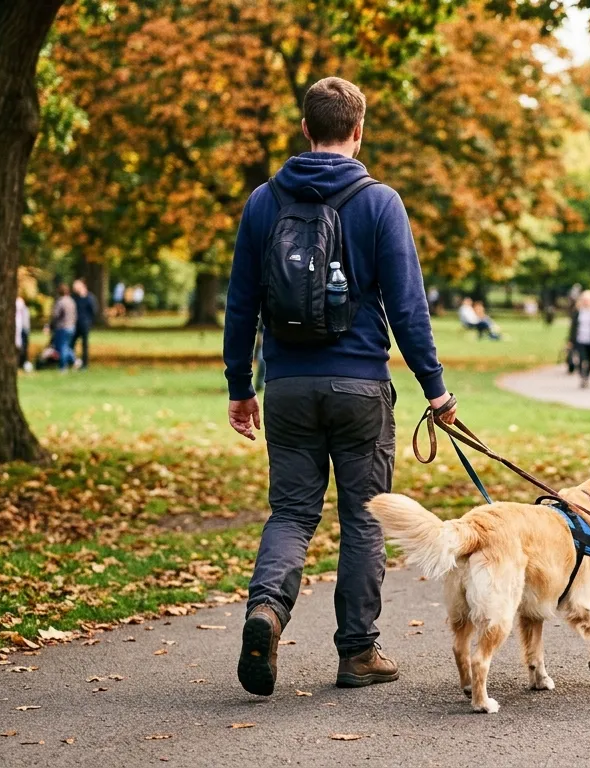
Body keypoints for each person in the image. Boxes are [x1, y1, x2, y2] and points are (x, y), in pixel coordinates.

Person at [222, 76, 457, 697]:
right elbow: (408, 307)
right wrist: (435, 389)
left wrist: (239, 386)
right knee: (363, 516)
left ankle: (267, 612)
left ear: (304, 129)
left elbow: (241, 303)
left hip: (290, 387)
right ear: (358, 130)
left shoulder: (263, 201)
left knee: (293, 512)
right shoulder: (380, 203)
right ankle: (357, 652)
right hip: (359, 387)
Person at [567, 289, 590, 388]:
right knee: (581, 359)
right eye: (584, 300)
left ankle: (587, 376)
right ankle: (582, 375)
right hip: (579, 339)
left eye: (588, 300)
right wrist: (570, 340)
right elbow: (573, 327)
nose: (586, 302)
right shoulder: (578, 312)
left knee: (589, 359)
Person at [48, 283, 77, 372]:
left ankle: (63, 366)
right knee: (67, 346)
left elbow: (55, 315)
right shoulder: (72, 301)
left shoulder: (60, 302)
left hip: (62, 327)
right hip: (71, 327)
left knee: (62, 347)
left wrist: (50, 325)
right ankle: (75, 361)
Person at [72, 278, 97, 370]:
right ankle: (73, 361)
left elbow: (93, 311)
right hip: (75, 324)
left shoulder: (89, 297)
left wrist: (89, 321)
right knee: (71, 343)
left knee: (84, 344)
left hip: (85, 324)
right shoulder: (74, 298)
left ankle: (85, 364)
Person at [15, 295, 31, 371]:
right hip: (22, 330)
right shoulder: (23, 311)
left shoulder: (23, 311)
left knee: (23, 348)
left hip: (23, 330)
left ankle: (22, 363)